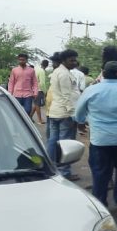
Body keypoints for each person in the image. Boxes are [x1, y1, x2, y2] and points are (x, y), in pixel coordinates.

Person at [74, 61, 117, 209]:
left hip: (100, 140)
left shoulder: (91, 90)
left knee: (100, 171)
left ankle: (100, 202)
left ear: (103, 73)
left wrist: (84, 120)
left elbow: (78, 115)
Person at [47, 49, 80, 181]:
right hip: (64, 113)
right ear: (64, 60)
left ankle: (51, 167)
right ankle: (64, 172)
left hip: (55, 111)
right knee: (65, 144)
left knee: (53, 141)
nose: (74, 62)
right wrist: (73, 114)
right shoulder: (64, 74)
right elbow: (67, 96)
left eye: (75, 60)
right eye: (71, 60)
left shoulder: (57, 71)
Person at [31, 59, 49, 124]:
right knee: (38, 104)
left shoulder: (36, 69)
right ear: (47, 65)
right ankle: (40, 120)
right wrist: (45, 91)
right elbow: (42, 83)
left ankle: (29, 117)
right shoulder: (42, 71)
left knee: (36, 104)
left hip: (33, 89)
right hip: (39, 90)